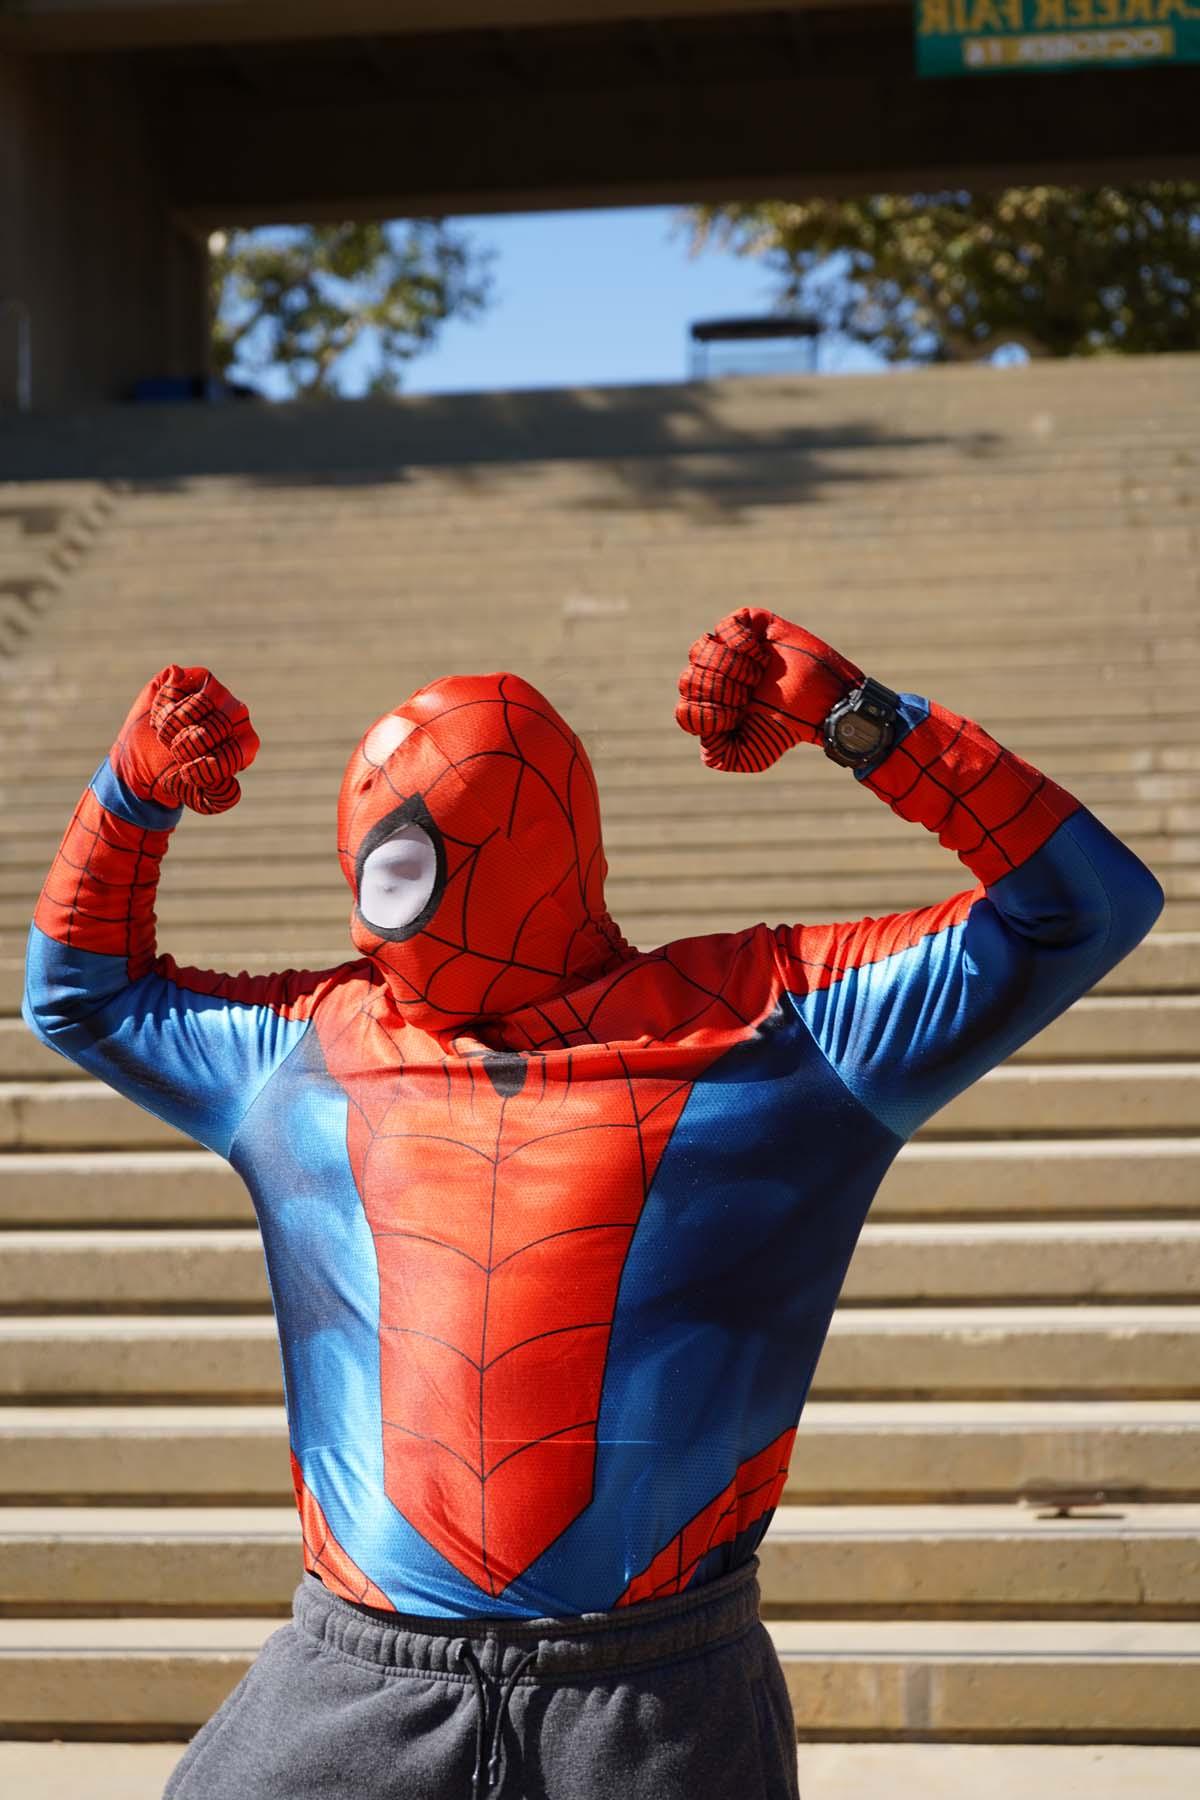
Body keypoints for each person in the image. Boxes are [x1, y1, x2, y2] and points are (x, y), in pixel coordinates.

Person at [24, 608, 1162, 1800]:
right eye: (369, 869)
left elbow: (1087, 908)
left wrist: (859, 719)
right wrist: (130, 790)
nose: (376, 916)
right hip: (364, 1679)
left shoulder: (777, 1022)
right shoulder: (312, 1046)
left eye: (406, 867)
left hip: (654, 1702)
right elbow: (77, 997)